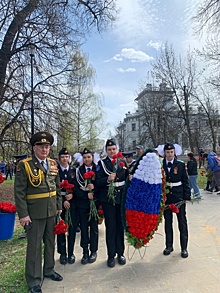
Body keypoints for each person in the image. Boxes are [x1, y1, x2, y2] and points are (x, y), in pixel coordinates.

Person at [14, 131, 63, 293]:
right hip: (34, 214)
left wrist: (58, 205)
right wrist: (23, 215)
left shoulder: (53, 164)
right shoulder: (25, 165)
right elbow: (19, 192)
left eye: (47, 146)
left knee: (50, 243)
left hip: (51, 212)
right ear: (34, 147)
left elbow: (56, 187)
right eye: (41, 146)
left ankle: (48, 270)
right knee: (34, 247)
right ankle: (34, 280)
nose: (44, 149)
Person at [95, 139, 128, 268]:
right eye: (109, 149)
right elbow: (97, 182)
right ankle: (110, 255)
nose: (112, 151)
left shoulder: (122, 161)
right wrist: (107, 179)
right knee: (111, 227)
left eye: (114, 149)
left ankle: (121, 253)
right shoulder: (101, 164)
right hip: (108, 200)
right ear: (106, 151)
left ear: (117, 149)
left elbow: (126, 177)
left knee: (120, 227)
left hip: (121, 199)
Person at [162, 143, 191, 258]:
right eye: (167, 152)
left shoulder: (180, 164)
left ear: (174, 152)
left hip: (179, 196)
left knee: (182, 222)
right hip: (166, 197)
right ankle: (169, 246)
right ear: (164, 153)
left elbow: (185, 181)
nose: (169, 154)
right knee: (168, 222)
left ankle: (184, 247)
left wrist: (186, 196)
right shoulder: (160, 165)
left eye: (171, 152)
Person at [73, 148, 99, 265]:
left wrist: (94, 193)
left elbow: (101, 184)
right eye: (85, 157)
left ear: (92, 157)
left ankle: (93, 251)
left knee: (93, 227)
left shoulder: (97, 168)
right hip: (82, 203)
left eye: (89, 157)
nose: (87, 159)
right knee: (84, 228)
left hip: (94, 202)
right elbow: (75, 188)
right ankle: (84, 251)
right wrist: (85, 195)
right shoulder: (79, 171)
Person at [57, 148, 77, 265]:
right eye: (63, 157)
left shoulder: (74, 171)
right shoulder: (55, 171)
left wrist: (72, 195)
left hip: (72, 203)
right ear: (59, 158)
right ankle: (62, 253)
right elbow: (54, 188)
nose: (65, 159)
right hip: (60, 203)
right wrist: (63, 199)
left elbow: (77, 186)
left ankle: (71, 252)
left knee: (72, 229)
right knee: (61, 229)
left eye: (67, 156)